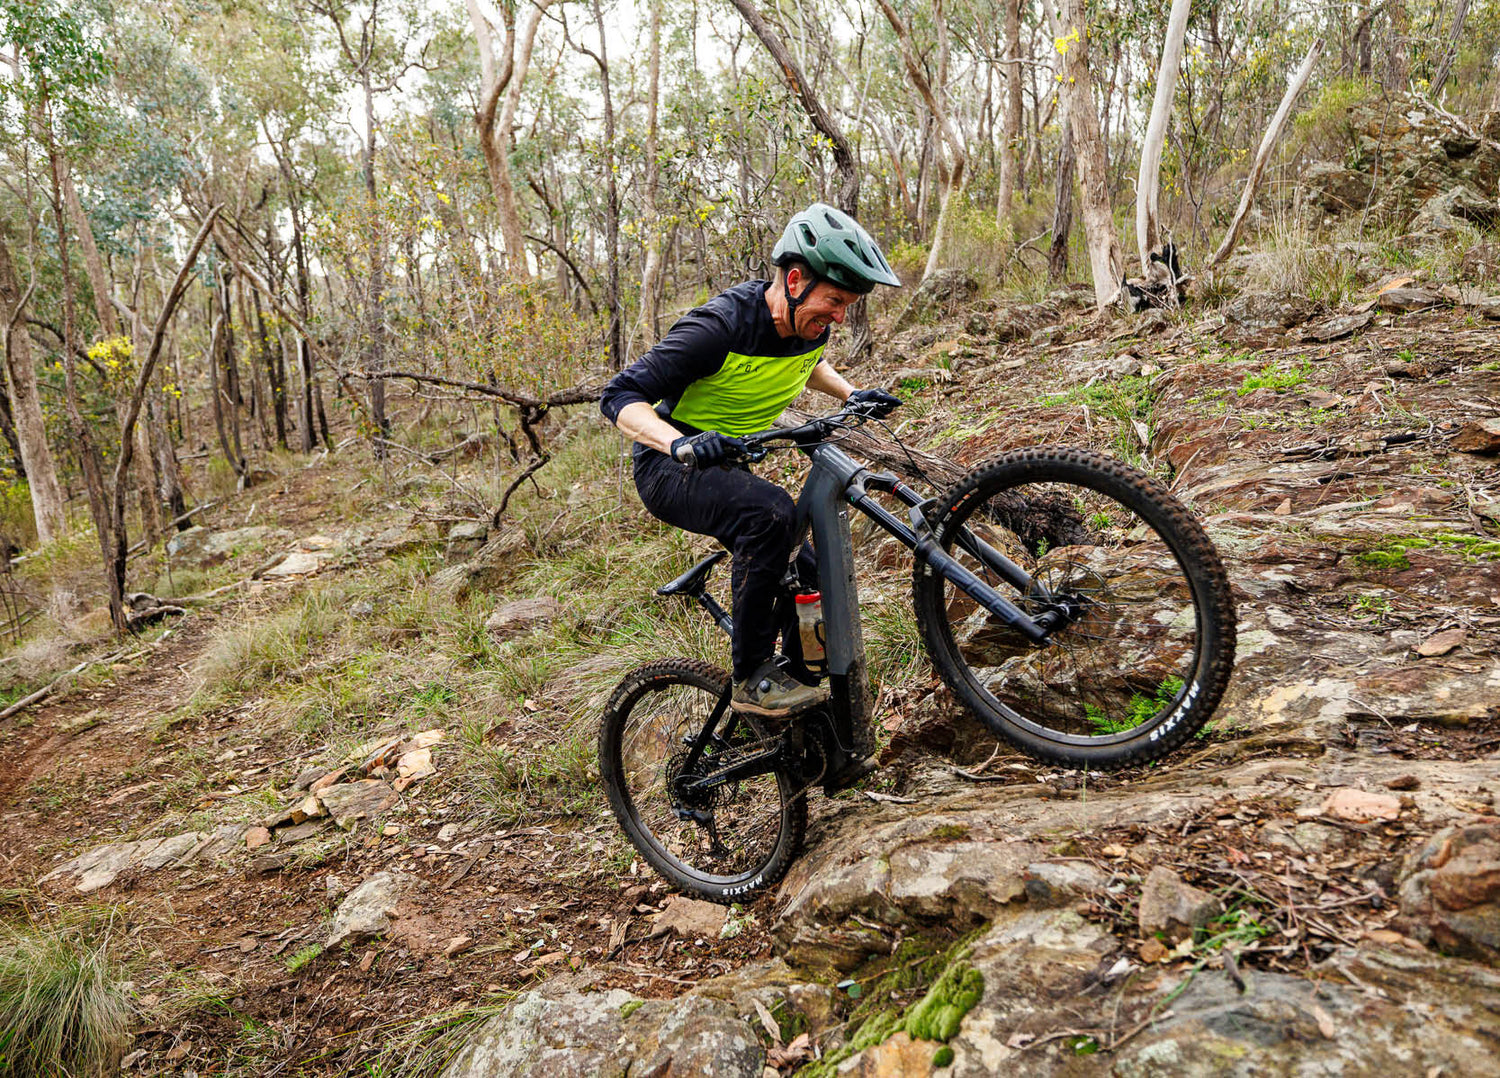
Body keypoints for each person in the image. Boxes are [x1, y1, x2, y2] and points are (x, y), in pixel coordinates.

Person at [599, 203, 902, 748]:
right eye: (834, 302)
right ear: (793, 280)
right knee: (769, 514)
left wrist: (853, 394)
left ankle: (799, 712)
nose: (839, 318)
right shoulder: (716, 329)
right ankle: (753, 676)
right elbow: (619, 396)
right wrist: (680, 442)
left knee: (809, 571)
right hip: (671, 467)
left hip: (725, 465)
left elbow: (806, 361)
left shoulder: (806, 322)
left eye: (847, 307)